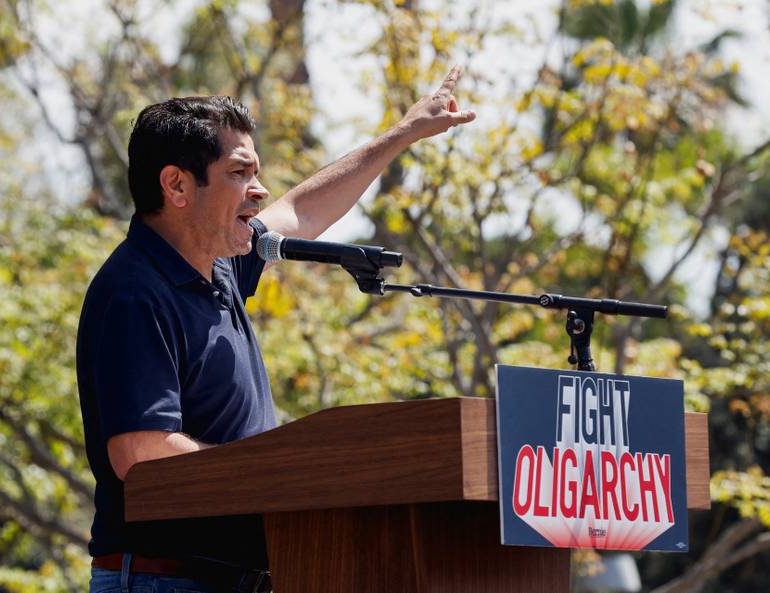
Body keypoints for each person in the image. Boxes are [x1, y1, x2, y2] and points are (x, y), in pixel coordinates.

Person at [76, 66, 475, 593]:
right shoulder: (136, 291)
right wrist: (278, 480)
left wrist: (403, 133)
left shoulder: (218, 264)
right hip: (166, 579)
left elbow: (302, 211)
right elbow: (142, 453)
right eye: (239, 173)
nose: (260, 191)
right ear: (175, 184)